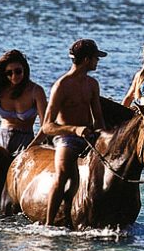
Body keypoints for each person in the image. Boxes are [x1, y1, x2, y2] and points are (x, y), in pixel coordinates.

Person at [42, 39, 107, 226]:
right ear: (86, 60)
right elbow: (47, 126)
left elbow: (99, 119)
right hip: (66, 138)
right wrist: (74, 129)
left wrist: (105, 137)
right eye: (96, 58)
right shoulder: (61, 86)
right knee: (62, 176)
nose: (97, 62)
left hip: (89, 137)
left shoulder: (92, 84)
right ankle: (49, 224)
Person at [0, 50, 47, 155]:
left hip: (25, 141)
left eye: (18, 71)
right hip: (0, 140)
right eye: (9, 73)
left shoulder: (36, 91)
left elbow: (45, 124)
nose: (13, 76)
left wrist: (34, 145)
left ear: (24, 70)